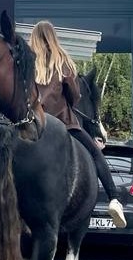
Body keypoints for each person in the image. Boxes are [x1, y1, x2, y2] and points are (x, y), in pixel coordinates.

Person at [28, 20, 126, 228]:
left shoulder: (28, 63)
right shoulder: (62, 61)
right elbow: (75, 96)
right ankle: (114, 199)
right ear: (53, 37)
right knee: (95, 153)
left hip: (34, 123)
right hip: (64, 123)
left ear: (34, 39)